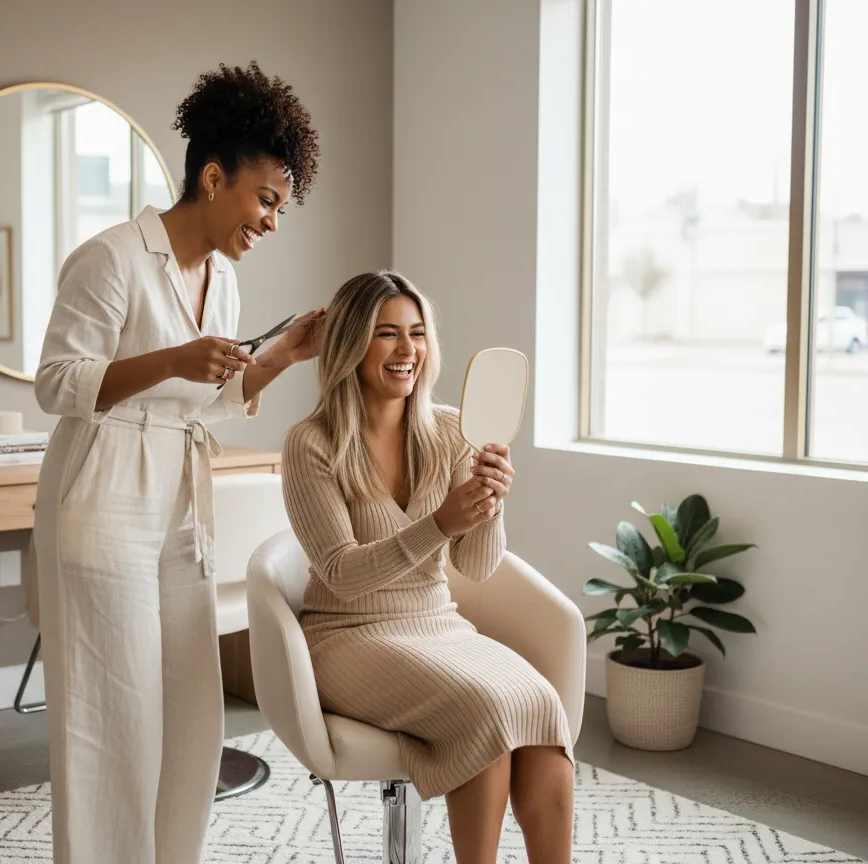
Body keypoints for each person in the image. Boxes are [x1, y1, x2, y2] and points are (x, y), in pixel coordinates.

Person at [32, 61, 323, 864]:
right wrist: (170, 359)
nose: (270, 220)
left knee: (191, 713)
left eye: (280, 209)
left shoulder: (221, 280)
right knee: (110, 722)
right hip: (102, 496)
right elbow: (57, 385)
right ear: (214, 174)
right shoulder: (111, 259)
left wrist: (282, 357)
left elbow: (209, 398)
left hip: (179, 505)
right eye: (265, 199)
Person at [280, 270, 575, 864]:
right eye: (387, 334)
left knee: (541, 705)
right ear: (351, 345)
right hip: (344, 636)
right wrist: (439, 522)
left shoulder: (448, 431)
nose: (407, 350)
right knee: (485, 711)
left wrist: (487, 507)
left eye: (416, 333)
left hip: (437, 623)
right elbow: (340, 571)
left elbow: (475, 564)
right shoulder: (311, 444)